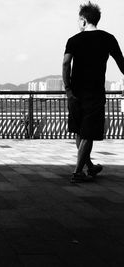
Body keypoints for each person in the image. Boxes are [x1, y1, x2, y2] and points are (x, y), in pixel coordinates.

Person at [62, 1, 124, 182]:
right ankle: (78, 172)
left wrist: (68, 90)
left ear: (83, 21)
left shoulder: (73, 40)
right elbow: (122, 64)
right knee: (88, 133)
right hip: (95, 93)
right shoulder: (108, 38)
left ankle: (88, 167)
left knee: (79, 132)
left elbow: (66, 63)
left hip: (75, 93)